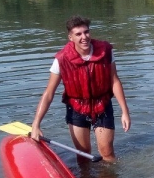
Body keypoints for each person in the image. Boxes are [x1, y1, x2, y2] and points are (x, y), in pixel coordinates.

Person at [30, 15, 131, 162]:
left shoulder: (105, 51)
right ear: (70, 37)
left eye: (86, 32)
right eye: (78, 34)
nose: (84, 37)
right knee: (83, 155)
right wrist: (36, 124)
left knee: (107, 153)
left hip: (102, 106)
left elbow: (114, 81)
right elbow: (48, 93)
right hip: (77, 109)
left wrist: (125, 111)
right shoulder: (61, 59)